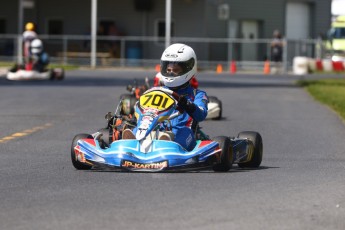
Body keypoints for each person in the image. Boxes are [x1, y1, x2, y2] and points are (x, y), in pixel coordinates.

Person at [123, 43, 209, 151]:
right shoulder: (157, 90)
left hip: (184, 133)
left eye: (176, 70)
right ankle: (132, 141)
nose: (171, 73)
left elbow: (201, 114)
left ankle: (168, 144)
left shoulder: (197, 94)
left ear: (188, 68)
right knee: (139, 127)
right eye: (168, 70)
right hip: (156, 129)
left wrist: (187, 104)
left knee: (181, 133)